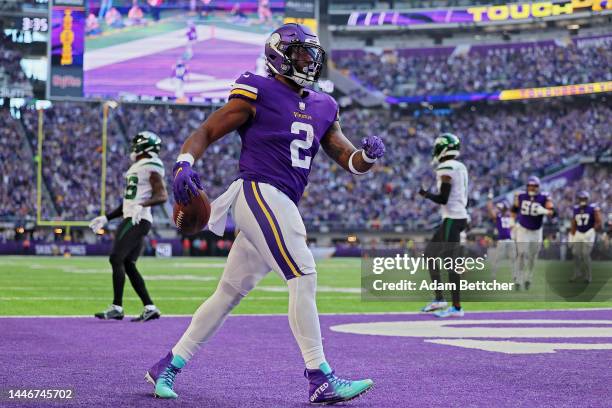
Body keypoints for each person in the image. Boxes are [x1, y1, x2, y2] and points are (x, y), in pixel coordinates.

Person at [145, 23, 384, 403]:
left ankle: (168, 366)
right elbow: (207, 130)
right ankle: (319, 376)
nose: (308, 62)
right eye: (302, 54)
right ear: (279, 56)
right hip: (259, 189)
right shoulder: (259, 88)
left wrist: (367, 157)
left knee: (227, 293)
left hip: (281, 199)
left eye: (312, 55)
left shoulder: (324, 104)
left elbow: (347, 159)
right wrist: (183, 163)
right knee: (303, 273)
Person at [89, 132, 168, 322]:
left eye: (136, 145)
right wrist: (106, 218)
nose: (133, 148)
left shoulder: (151, 166)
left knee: (116, 258)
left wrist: (142, 206)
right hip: (133, 217)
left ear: (144, 147)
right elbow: (129, 202)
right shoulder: (138, 167)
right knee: (128, 264)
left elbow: (162, 196)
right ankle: (150, 307)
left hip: (138, 219)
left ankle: (117, 307)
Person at [419, 133, 469, 318]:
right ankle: (440, 298)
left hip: (452, 218)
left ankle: (456, 307)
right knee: (430, 254)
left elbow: (443, 198)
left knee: (450, 263)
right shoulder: (460, 166)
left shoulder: (446, 167)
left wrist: (425, 194)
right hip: (457, 216)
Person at [512, 176, 554, 290]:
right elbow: (514, 209)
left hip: (536, 231)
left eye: (534, 186)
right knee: (521, 253)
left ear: (538, 187)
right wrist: (512, 221)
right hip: (523, 229)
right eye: (530, 185)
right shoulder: (520, 196)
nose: (532, 188)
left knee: (532, 256)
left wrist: (544, 210)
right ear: (527, 186)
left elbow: (552, 212)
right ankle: (519, 279)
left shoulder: (544, 197)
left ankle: (528, 277)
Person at [568, 191, 601, 283]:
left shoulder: (593, 208)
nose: (582, 201)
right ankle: (577, 273)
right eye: (581, 199)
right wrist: (571, 234)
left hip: (589, 233)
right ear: (578, 199)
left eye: (584, 199)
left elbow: (599, 222)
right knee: (575, 253)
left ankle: (588, 276)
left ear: (587, 199)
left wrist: (593, 229)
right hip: (579, 233)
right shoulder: (576, 209)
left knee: (585, 254)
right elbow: (574, 223)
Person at [486, 198, 516, 281]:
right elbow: (492, 212)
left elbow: (512, 226)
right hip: (502, 240)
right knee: (497, 259)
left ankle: (514, 275)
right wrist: (489, 204)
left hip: (509, 240)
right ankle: (493, 275)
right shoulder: (499, 216)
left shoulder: (508, 216)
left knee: (513, 259)